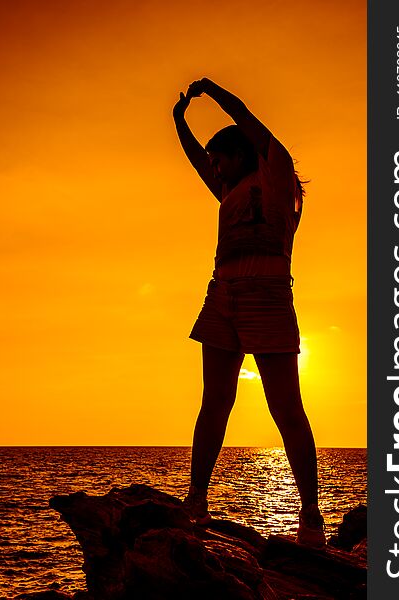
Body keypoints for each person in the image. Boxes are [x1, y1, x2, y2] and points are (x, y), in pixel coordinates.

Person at [173, 77, 326, 547]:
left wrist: (211, 92)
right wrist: (178, 121)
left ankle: (310, 516)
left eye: (221, 161)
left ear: (242, 154)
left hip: (268, 296)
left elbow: (245, 117)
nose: (215, 170)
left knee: (286, 408)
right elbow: (197, 157)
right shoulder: (228, 191)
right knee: (214, 401)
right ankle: (196, 498)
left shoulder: (275, 175)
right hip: (222, 296)